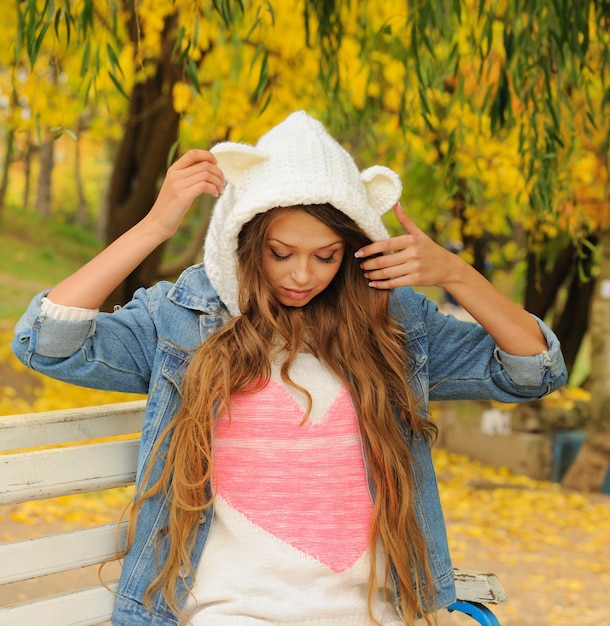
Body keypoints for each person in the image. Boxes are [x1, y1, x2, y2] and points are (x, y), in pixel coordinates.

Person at [11, 111, 567, 626]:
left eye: (325, 256)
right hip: (228, 613)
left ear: (352, 251)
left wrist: (457, 275)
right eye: (281, 253)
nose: (302, 275)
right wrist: (155, 226)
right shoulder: (186, 321)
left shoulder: (392, 327)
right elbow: (48, 344)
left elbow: (533, 370)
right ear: (246, 240)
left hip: (368, 614)